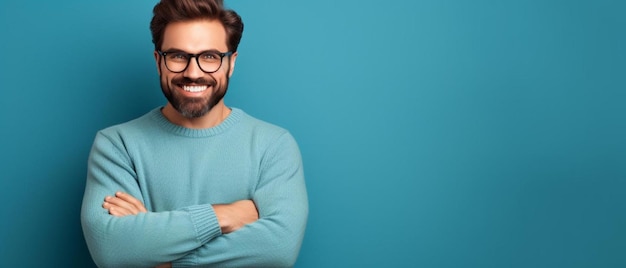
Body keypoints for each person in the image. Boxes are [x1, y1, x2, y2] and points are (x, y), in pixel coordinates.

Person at [80, 0, 308, 267]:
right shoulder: (117, 145)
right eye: (178, 56)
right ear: (158, 62)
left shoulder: (273, 146)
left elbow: (279, 249)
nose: (193, 72)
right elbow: (112, 249)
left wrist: (162, 259)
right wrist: (225, 215)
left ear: (231, 63)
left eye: (210, 56)